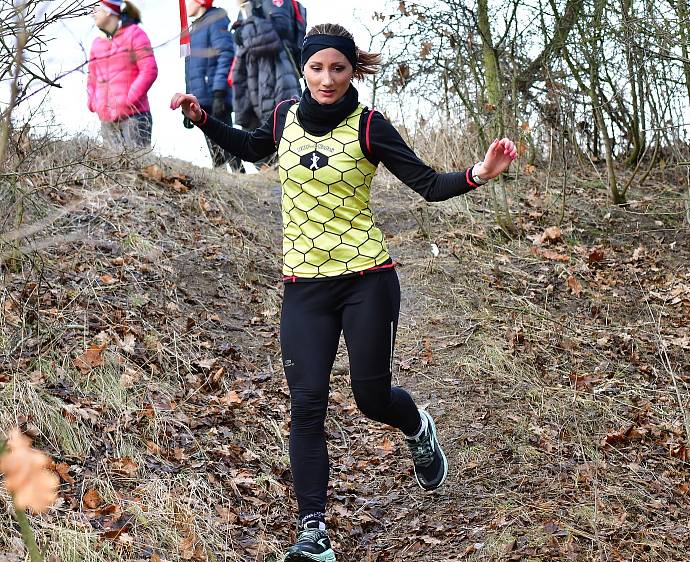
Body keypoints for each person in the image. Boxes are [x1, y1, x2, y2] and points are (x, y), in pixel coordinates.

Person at [171, 23, 517, 562]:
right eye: (317, 68)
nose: (327, 79)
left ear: (353, 70)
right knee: (306, 406)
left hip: (366, 281)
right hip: (303, 287)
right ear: (303, 70)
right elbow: (250, 146)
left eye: (338, 68)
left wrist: (480, 172)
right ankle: (314, 532)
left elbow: (427, 184)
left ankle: (417, 425)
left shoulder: (370, 125)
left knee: (370, 397)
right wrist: (203, 120)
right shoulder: (285, 116)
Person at [183, 0, 245, 173]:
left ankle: (240, 177)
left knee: (227, 139)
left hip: (216, 93)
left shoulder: (216, 19)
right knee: (212, 144)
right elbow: (190, 67)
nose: (186, 5)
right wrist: (188, 100)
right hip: (201, 96)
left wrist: (219, 91)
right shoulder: (194, 28)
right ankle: (221, 179)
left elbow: (226, 53)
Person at [87, 0, 158, 149]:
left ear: (108, 11)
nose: (92, 14)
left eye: (96, 9)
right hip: (107, 121)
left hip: (135, 118)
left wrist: (127, 100)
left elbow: (149, 70)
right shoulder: (96, 44)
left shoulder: (135, 33)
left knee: (139, 170)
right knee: (113, 171)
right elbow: (91, 78)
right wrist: (94, 102)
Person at [230, 0, 302, 133]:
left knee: (280, 130)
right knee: (252, 141)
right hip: (252, 80)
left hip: (276, 77)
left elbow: (278, 30)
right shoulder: (247, 6)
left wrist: (242, 32)